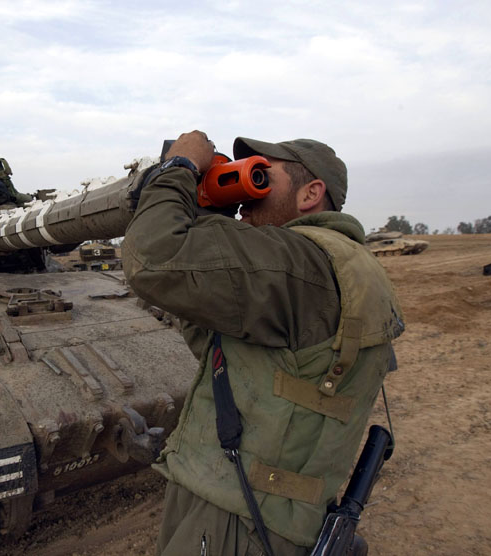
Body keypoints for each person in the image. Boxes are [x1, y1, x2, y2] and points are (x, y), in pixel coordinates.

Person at [122, 131, 404, 556]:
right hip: (257, 510)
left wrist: (176, 169)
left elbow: (153, 258)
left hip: (237, 521)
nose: (246, 193)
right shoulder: (336, 264)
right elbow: (233, 358)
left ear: (311, 194)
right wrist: (204, 211)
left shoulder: (303, 262)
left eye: (260, 178)